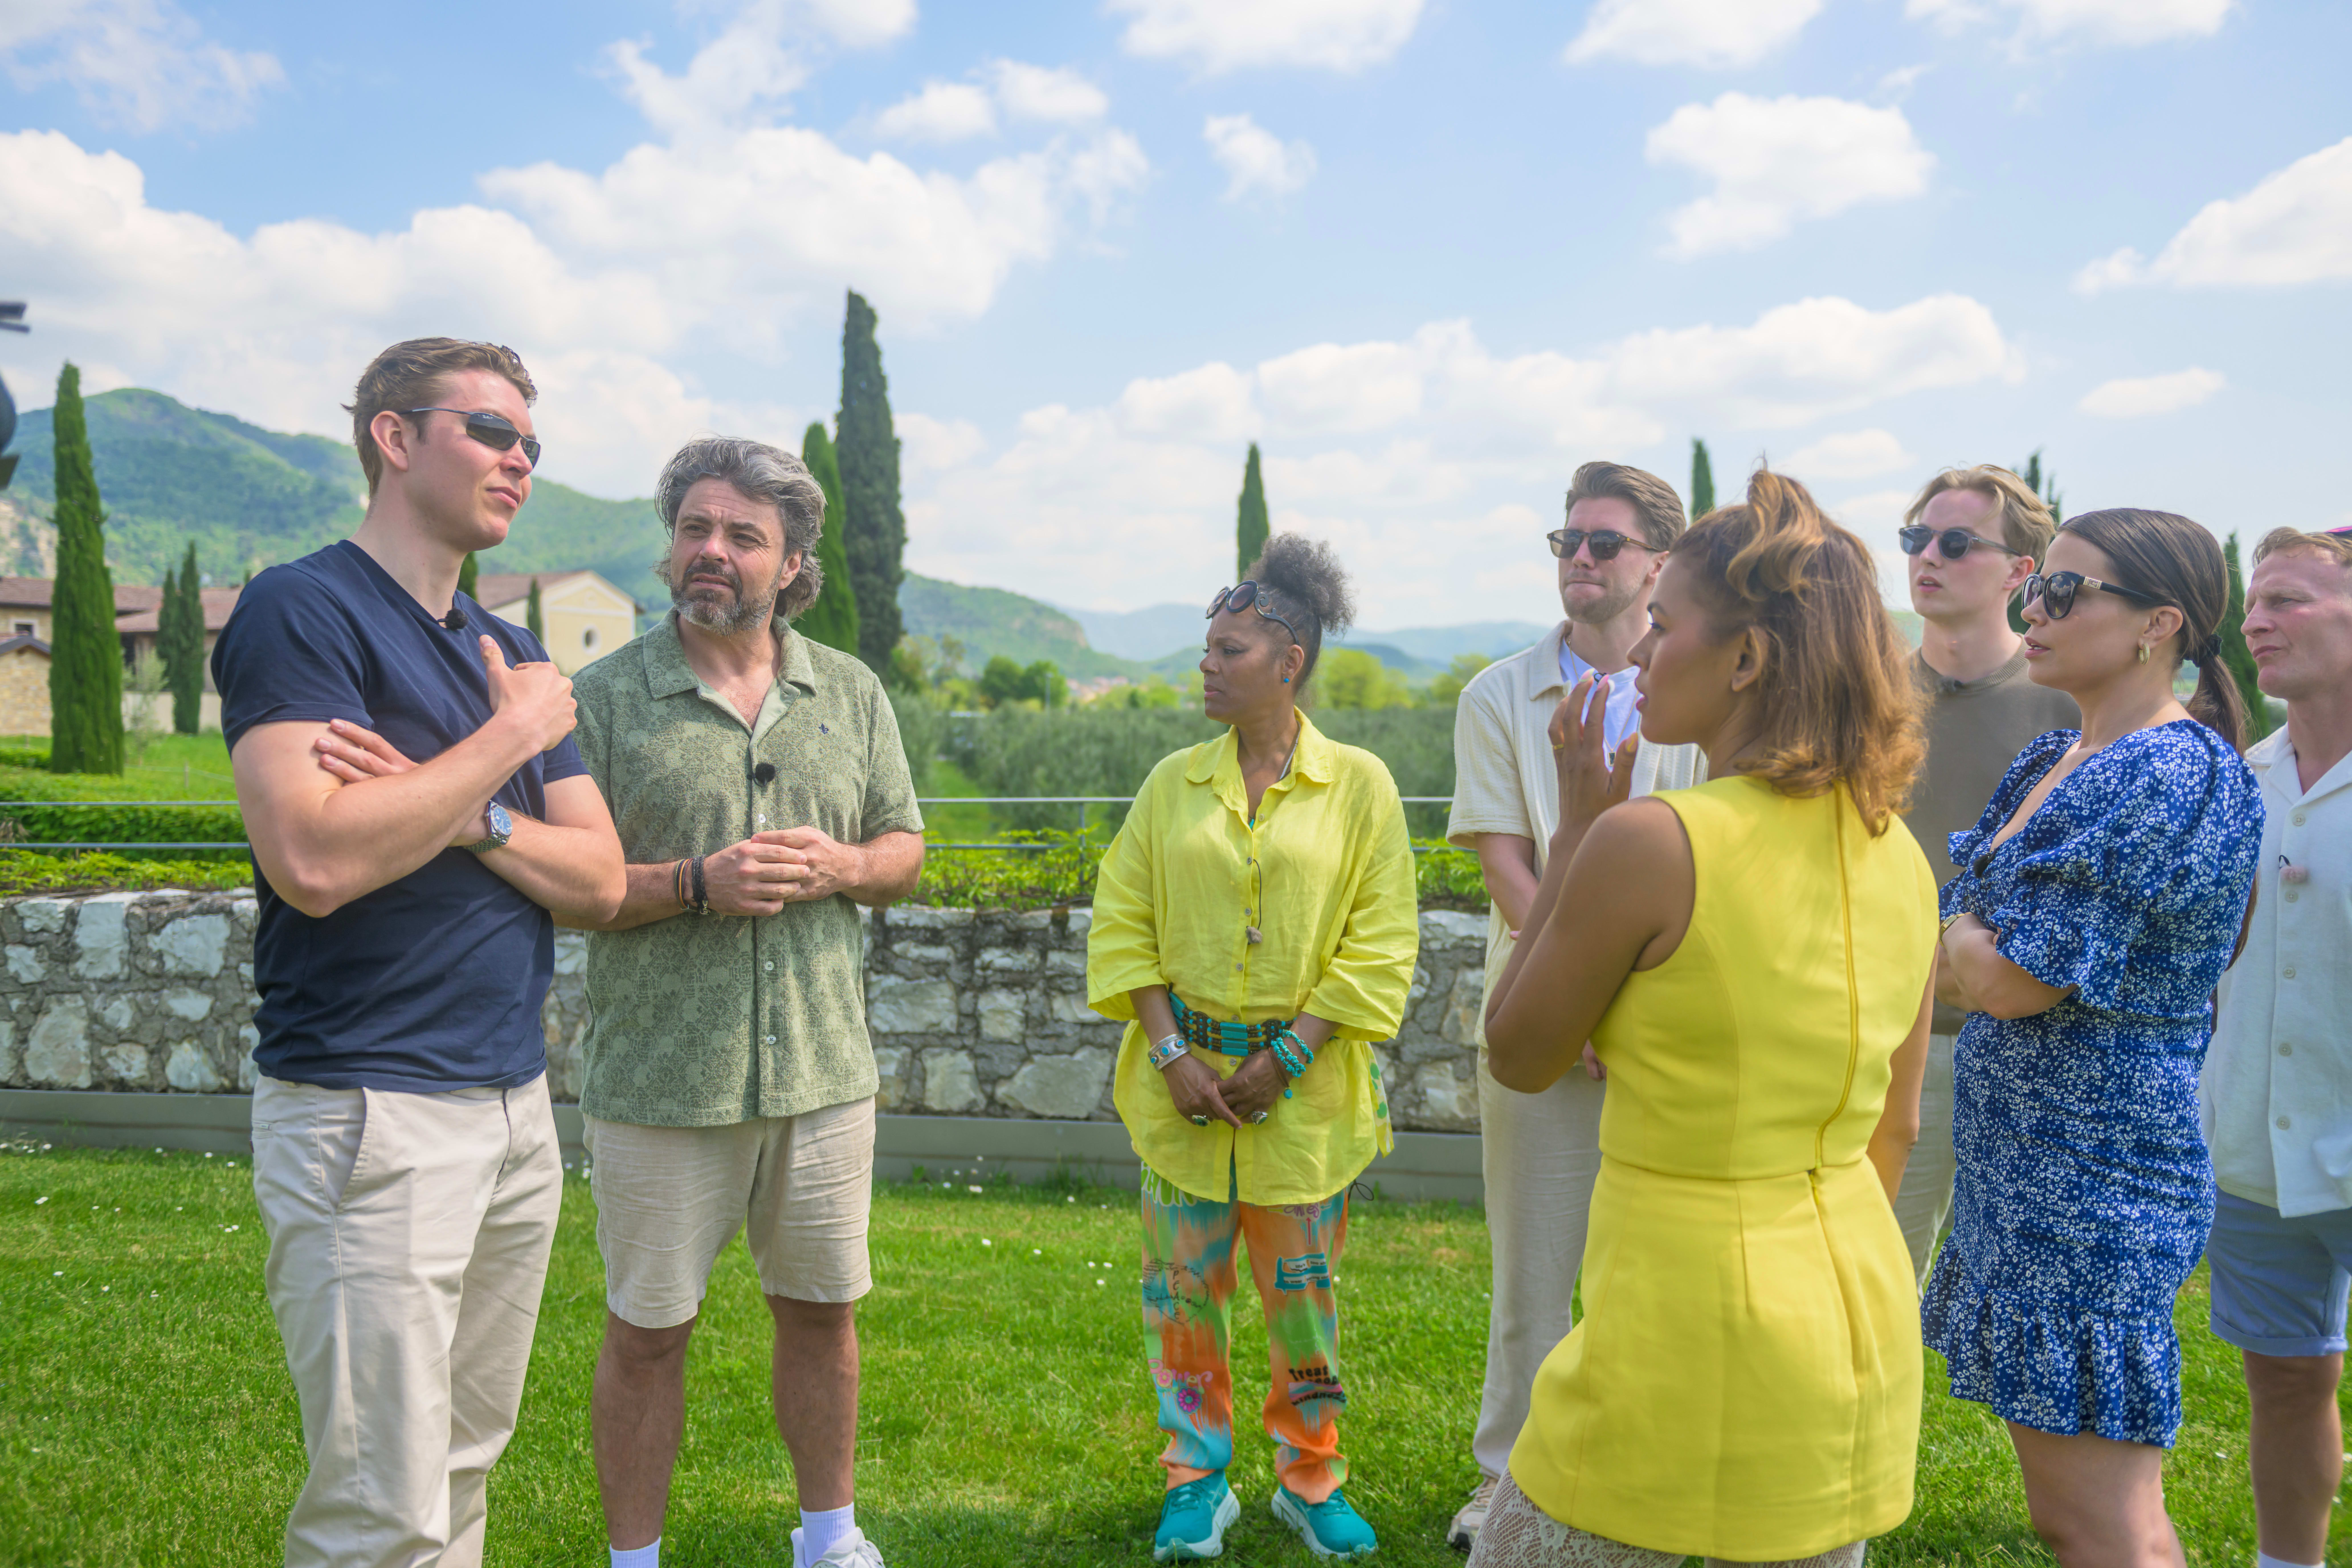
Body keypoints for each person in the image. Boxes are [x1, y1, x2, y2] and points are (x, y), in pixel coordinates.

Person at [1471, 469, 1938, 1567]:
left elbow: (1519, 1053)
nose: (1640, 652)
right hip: (1853, 1334)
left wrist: (1577, 828)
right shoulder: (1902, 855)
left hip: (1674, 1333)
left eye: (1667, 624)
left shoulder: (1653, 840)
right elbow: (1898, 1126)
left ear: (1746, 661)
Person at [217, 337, 625, 1568]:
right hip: (369, 1109)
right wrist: (507, 744)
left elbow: (601, 880)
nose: (521, 461)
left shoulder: (511, 655)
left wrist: (463, 808)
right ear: (394, 438)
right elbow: (316, 857)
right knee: (379, 1506)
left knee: (458, 1466)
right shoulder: (303, 608)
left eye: (532, 443)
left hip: (512, 1111)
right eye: (492, 431)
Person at [565, 438, 926, 1568]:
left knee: (823, 1313)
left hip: (824, 1077)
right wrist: (696, 883)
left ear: (792, 564)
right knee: (647, 1333)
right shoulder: (604, 699)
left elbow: (905, 848)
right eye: (694, 528)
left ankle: (830, 1538)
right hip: (661, 1079)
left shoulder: (851, 692)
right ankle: (634, 1559)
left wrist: (844, 866)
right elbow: (571, 887)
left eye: (742, 535)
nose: (711, 550)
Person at [1925, 508, 2262, 1563]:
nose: (2035, 608)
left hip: (2093, 1179)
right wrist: (1973, 940)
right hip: (2027, 1173)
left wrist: (1966, 934)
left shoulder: (2167, 772)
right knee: (2071, 1516)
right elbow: (1973, 953)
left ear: (2161, 623)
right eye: (2038, 587)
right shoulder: (2057, 755)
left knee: (2103, 1522)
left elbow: (2008, 979)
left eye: (2066, 591)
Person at [1087, 534, 1418, 1563]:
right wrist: (1172, 1054)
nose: (1207, 666)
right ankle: (1196, 1481)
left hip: (1306, 1110)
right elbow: (1122, 922)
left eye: (1230, 651)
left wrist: (1289, 1058)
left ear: (1291, 661)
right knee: (1181, 1300)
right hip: (1180, 1099)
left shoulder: (1360, 787)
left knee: (1303, 1305)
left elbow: (1380, 941)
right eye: (1207, 648)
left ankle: (1311, 1478)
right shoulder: (1171, 786)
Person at [1442, 460, 1705, 1550]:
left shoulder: (1701, 693)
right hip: (1540, 1018)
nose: (1579, 560)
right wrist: (1575, 996)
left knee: (1662, 1268)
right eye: (1567, 542)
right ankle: (1506, 1482)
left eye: (1603, 543)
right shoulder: (1499, 695)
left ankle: (1641, 1471)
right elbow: (1505, 861)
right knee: (1534, 1272)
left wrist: (1626, 1001)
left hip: (1674, 1023)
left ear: (1659, 562)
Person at [2198, 526, 2352, 1568]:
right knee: (2288, 1379)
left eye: (2287, 600)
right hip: (2255, 1150)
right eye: (2253, 603)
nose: (2255, 623)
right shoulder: (2236, 782)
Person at [1893, 466, 2078, 1286]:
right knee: (1875, 1283)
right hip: (1884, 1038)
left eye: (1957, 542)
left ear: (2020, 572)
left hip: (2030, 1047)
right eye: (1916, 538)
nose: (1928, 555)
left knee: (2024, 1304)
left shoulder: (2070, 707)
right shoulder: (1863, 698)